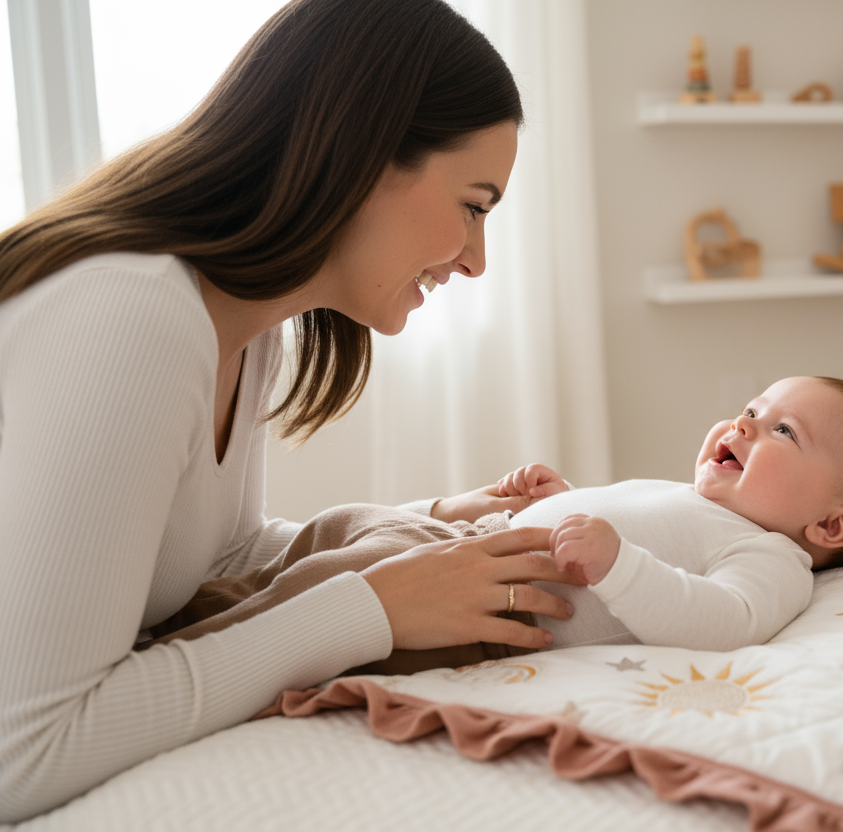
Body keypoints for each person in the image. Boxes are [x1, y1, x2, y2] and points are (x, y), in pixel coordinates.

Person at [0, 0, 579, 822]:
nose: (477, 260)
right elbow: (24, 753)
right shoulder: (128, 314)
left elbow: (207, 560)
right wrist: (373, 611)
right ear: (365, 157)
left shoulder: (244, 322)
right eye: (475, 205)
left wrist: (426, 527)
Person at [147, 376, 843, 661]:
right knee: (336, 527)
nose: (744, 427)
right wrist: (558, 498)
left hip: (476, 610)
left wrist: (617, 562)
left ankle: (175, 653)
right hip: (456, 546)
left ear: (831, 527)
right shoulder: (698, 501)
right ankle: (183, 607)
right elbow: (622, 520)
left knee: (322, 587)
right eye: (751, 411)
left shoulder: (770, 559)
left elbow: (725, 622)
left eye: (783, 432)